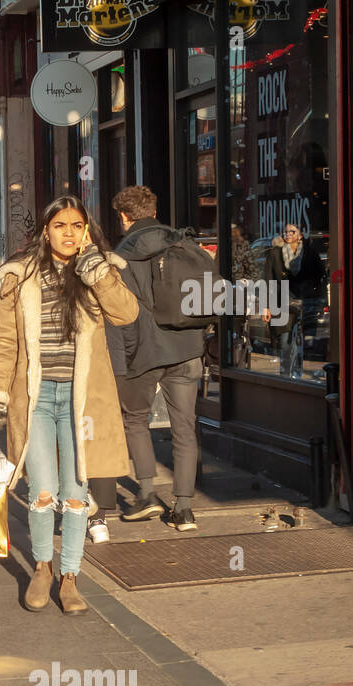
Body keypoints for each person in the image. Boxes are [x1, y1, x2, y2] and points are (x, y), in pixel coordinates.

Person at [0, 196, 139, 615]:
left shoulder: (99, 269)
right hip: (35, 398)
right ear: (45, 231)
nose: (69, 233)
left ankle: (70, 577)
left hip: (82, 398)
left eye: (76, 225)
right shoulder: (21, 275)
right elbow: (6, 342)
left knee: (74, 491)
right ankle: (42, 569)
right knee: (43, 490)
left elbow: (127, 313)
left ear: (87, 230)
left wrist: (98, 274)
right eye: (60, 225)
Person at [88, 184, 207, 537]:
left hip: (144, 351)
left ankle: (147, 493)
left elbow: (118, 313)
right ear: (154, 211)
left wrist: (120, 362)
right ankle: (184, 509)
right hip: (187, 348)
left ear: (124, 217)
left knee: (135, 420)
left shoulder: (121, 256)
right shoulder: (185, 244)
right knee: (184, 428)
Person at [262, 222, 326, 379]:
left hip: (305, 302)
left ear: (300, 235)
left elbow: (320, 275)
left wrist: (316, 295)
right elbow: (267, 279)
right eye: (286, 232)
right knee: (285, 341)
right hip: (283, 301)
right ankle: (285, 375)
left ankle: (297, 374)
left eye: (292, 231)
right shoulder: (275, 253)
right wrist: (266, 306)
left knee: (302, 341)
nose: (288, 234)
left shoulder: (310, 253)